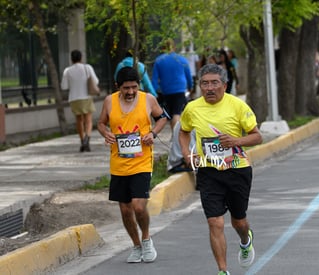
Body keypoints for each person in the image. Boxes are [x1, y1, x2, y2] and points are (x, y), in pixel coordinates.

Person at [179, 64, 263, 275]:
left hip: (237, 170)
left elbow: (257, 136)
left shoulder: (237, 106)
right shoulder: (192, 108)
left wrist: (235, 140)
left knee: (238, 221)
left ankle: (245, 240)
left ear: (224, 85)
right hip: (208, 171)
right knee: (214, 221)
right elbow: (184, 132)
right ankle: (223, 271)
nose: (209, 88)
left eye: (214, 83)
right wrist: (187, 154)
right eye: (204, 83)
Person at [97, 66, 168, 263]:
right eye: (126, 88)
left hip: (142, 161)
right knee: (125, 209)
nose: (130, 92)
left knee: (138, 206)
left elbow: (162, 118)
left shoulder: (148, 99)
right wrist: (106, 133)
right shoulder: (110, 101)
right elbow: (101, 123)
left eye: (134, 87)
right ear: (118, 86)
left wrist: (152, 134)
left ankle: (146, 239)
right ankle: (136, 246)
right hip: (119, 163)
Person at [61, 49, 98, 152]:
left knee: (79, 120)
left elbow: (64, 86)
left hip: (74, 98)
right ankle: (87, 138)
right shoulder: (87, 68)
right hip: (86, 97)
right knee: (88, 120)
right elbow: (96, 81)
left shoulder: (67, 71)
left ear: (71, 59)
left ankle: (82, 141)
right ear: (81, 58)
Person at [152, 39, 193, 131]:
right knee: (177, 113)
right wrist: (190, 87)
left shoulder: (159, 60)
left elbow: (154, 79)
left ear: (163, 48)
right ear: (174, 47)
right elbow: (188, 76)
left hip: (166, 91)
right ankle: (175, 136)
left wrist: (154, 92)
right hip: (179, 89)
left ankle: (174, 135)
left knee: (169, 114)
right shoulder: (182, 59)